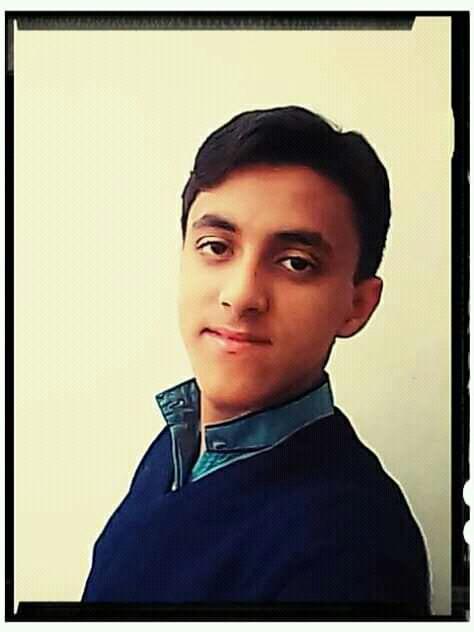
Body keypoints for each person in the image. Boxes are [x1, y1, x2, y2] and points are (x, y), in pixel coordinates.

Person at [82, 106, 431, 612]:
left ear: (357, 305)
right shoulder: (179, 443)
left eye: (296, 263)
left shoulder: (350, 552)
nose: (241, 295)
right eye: (215, 246)